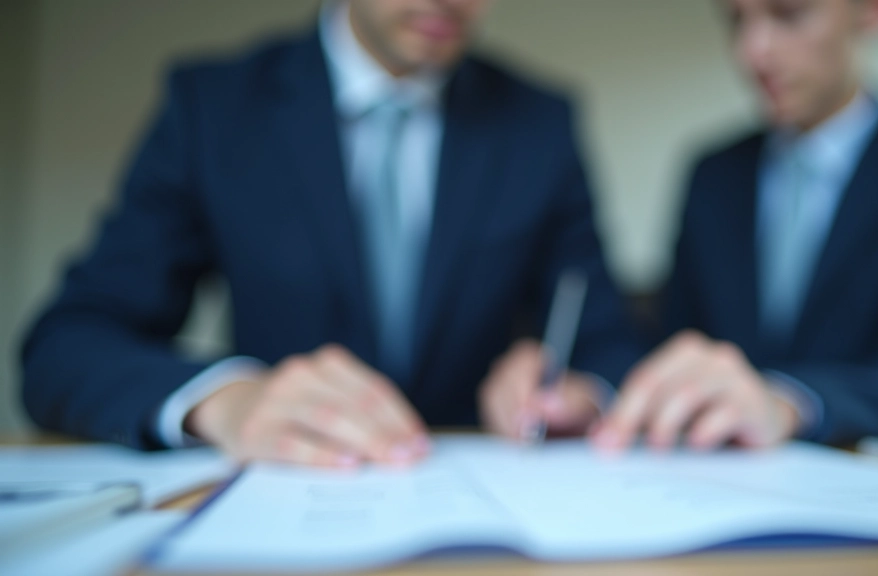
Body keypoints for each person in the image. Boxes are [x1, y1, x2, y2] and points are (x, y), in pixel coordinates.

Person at [21, 0, 641, 467]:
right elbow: (67, 343)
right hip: (284, 507)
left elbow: (607, 341)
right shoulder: (214, 108)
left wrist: (580, 391)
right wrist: (226, 401)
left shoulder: (539, 122)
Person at [593, 0, 878, 451]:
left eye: (788, 14)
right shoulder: (713, 177)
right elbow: (677, 344)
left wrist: (788, 402)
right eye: (737, 21)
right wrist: (597, 391)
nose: (752, 53)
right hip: (713, 476)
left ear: (874, 10)